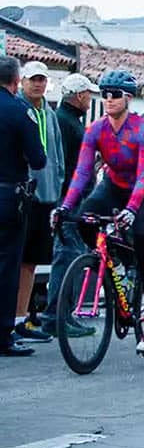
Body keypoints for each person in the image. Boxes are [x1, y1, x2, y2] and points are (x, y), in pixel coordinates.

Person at [52, 70, 144, 352]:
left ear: (128, 98)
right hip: (114, 184)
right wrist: (65, 205)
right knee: (85, 218)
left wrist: (131, 209)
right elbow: (81, 172)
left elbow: (143, 176)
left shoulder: (143, 130)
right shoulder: (95, 129)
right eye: (104, 94)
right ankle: (113, 263)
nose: (108, 99)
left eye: (114, 94)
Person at [40, 72, 98, 336]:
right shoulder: (67, 123)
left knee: (70, 254)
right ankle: (58, 316)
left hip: (72, 199)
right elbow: (66, 166)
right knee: (68, 255)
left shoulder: (67, 120)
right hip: (70, 200)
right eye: (87, 94)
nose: (90, 99)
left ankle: (61, 315)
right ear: (79, 95)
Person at [14, 62, 65, 344]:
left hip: (47, 197)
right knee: (17, 259)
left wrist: (57, 184)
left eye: (42, 80)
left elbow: (56, 152)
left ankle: (21, 318)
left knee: (31, 262)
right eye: (33, 80)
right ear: (22, 81)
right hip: (24, 196)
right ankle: (13, 317)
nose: (38, 84)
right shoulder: (19, 110)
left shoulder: (49, 113)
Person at [0, 57, 46, 356]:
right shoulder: (20, 112)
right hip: (7, 197)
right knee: (6, 266)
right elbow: (38, 159)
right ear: (17, 81)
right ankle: (2, 335)